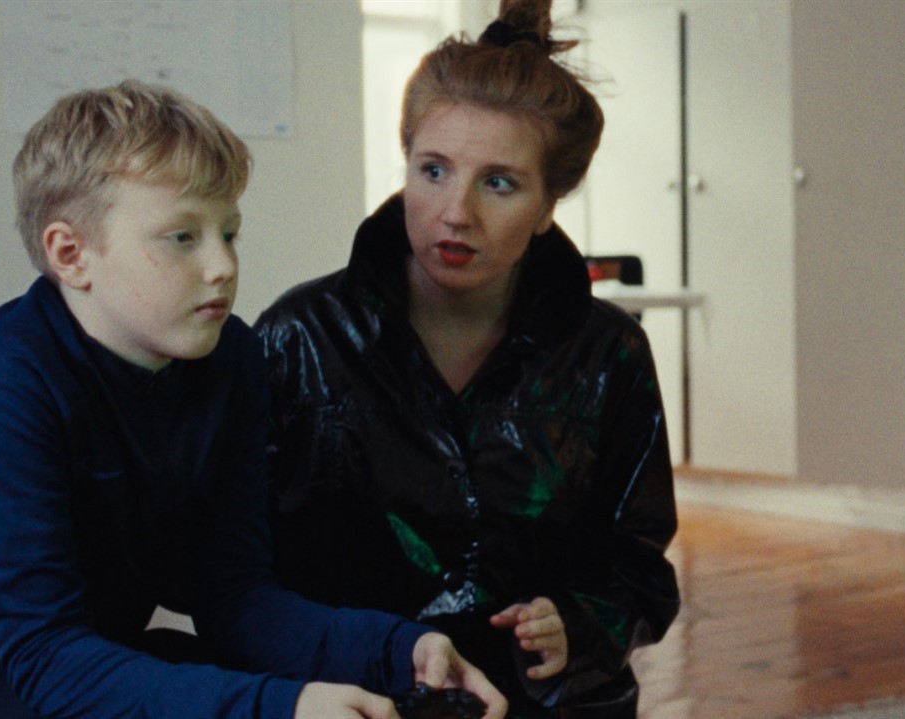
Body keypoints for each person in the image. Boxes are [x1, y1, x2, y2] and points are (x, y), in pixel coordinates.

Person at [0, 80, 506, 719]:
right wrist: (280, 705)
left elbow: (235, 599)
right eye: (182, 237)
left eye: (229, 232)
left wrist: (399, 649)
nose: (222, 266)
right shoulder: (1, 375)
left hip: (78, 655)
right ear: (71, 254)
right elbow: (47, 654)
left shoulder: (231, 358)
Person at [253, 1, 680, 717]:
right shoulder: (299, 337)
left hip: (552, 702)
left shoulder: (610, 353)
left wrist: (577, 625)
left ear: (550, 203)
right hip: (361, 699)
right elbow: (243, 576)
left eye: (500, 182)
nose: (456, 211)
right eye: (434, 170)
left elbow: (641, 570)